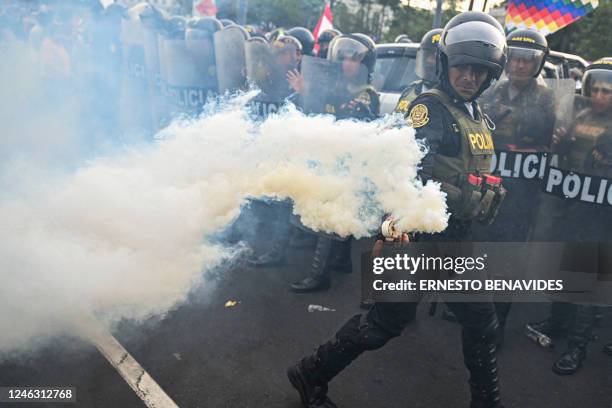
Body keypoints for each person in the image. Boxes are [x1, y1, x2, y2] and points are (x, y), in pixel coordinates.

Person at [287, 11, 508, 408]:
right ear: (445, 63)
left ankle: (486, 402)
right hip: (422, 241)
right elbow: (405, 171)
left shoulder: (477, 115)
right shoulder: (431, 108)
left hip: (458, 243)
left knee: (481, 321)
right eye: (462, 67)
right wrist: (390, 231)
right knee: (383, 324)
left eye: (479, 70)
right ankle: (309, 373)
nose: (470, 77)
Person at [525, 57, 612, 375]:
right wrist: (559, 144)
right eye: (597, 89)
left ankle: (578, 345)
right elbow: (562, 159)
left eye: (608, 91)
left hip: (602, 214)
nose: (601, 96)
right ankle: (557, 321)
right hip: (570, 206)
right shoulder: (582, 115)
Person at [285, 33, 380, 293]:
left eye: (354, 59)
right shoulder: (339, 89)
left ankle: (319, 275)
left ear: (366, 64)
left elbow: (342, 118)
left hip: (351, 162)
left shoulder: (366, 94)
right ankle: (341, 260)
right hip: (337, 159)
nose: (347, 64)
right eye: (345, 58)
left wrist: (309, 92)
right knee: (340, 211)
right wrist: (305, 92)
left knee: (329, 217)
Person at [394, 28, 442, 115]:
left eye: (435, 56)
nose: (429, 61)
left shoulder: (453, 98)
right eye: (427, 55)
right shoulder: (410, 90)